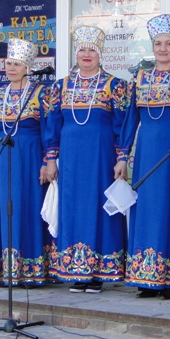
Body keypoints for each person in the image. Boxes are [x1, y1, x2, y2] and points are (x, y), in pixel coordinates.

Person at [115, 14, 170, 299]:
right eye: (157, 43)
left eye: (168, 44)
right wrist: (122, 156)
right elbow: (129, 121)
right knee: (148, 212)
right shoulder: (138, 79)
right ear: (152, 47)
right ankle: (146, 277)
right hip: (145, 157)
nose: (163, 48)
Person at [44, 25, 128, 294]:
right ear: (75, 53)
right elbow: (52, 126)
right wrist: (51, 159)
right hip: (70, 159)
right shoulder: (60, 87)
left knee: (99, 208)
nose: (87, 54)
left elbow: (122, 126)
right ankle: (76, 271)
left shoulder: (115, 86)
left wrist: (122, 158)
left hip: (101, 159)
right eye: (82, 49)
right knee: (73, 208)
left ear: (101, 54)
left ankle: (99, 273)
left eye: (92, 49)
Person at [0, 38, 51, 287]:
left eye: (17, 64)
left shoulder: (41, 92)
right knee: (4, 208)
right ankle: (3, 268)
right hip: (2, 157)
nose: (11, 68)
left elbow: (48, 130)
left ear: (28, 66)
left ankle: (29, 269)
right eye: (9, 63)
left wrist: (47, 161)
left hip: (29, 157)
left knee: (27, 207)